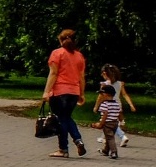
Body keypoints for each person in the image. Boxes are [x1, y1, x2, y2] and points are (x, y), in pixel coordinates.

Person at [43, 29, 87, 158]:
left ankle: (63, 149)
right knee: (66, 117)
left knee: (61, 119)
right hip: (74, 92)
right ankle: (78, 141)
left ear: (61, 40)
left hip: (59, 92)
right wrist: (82, 94)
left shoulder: (57, 53)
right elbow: (81, 77)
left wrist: (46, 91)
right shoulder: (79, 56)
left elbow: (53, 73)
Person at [100, 64, 137, 148]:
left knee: (109, 123)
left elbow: (101, 96)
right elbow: (125, 95)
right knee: (110, 122)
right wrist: (131, 105)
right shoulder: (120, 84)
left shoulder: (104, 84)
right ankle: (105, 138)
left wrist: (96, 106)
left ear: (105, 73)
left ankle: (122, 136)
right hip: (118, 106)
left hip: (108, 105)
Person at [94, 84, 124, 159]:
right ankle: (105, 151)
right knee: (109, 137)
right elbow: (119, 113)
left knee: (110, 138)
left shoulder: (104, 104)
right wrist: (121, 121)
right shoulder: (116, 104)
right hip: (115, 123)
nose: (100, 96)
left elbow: (105, 115)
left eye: (101, 94)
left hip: (107, 123)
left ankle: (114, 152)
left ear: (105, 94)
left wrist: (101, 124)